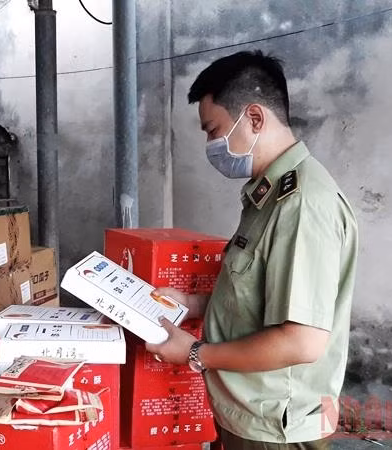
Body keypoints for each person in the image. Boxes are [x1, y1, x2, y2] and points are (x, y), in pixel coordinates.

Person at [146, 50, 359, 449]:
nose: (211, 144)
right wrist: (190, 303)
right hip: (250, 415)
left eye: (213, 130)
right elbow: (257, 299)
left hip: (275, 429)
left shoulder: (302, 205)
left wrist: (195, 353)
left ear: (255, 118)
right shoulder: (270, 196)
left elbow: (301, 341)